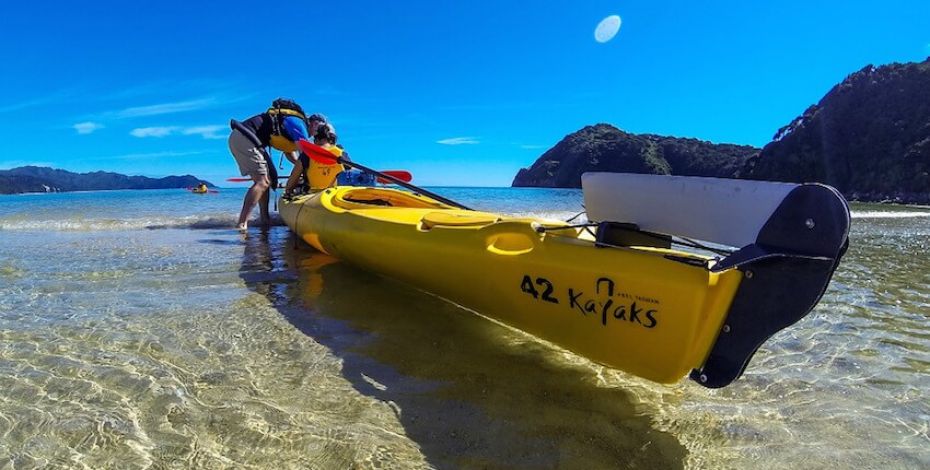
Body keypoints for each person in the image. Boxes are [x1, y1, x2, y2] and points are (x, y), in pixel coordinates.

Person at [228, 99, 316, 231]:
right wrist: (306, 172)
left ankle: (265, 219)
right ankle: (241, 224)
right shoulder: (299, 124)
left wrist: (298, 166)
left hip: (243, 137)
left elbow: (290, 153)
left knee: (266, 180)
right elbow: (305, 155)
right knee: (262, 182)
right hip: (245, 137)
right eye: (317, 129)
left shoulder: (292, 123)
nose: (316, 134)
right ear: (313, 123)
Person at [284, 120, 346, 196]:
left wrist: (289, 191)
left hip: (313, 196)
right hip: (337, 196)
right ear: (332, 139)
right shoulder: (341, 153)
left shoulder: (307, 154)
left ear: (316, 138)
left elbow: (291, 183)